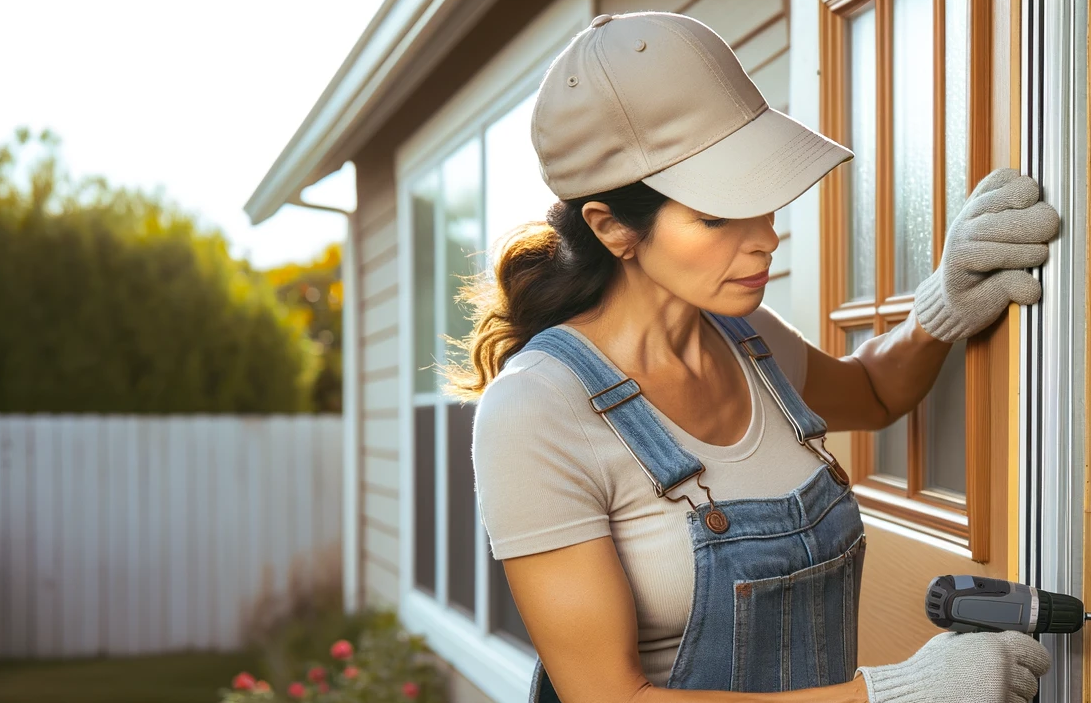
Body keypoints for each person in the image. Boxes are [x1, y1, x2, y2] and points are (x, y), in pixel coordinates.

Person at [442, 11, 1059, 703]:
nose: (766, 237)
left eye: (761, 201)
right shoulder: (536, 411)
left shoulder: (747, 340)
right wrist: (893, 695)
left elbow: (873, 393)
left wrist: (940, 306)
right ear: (612, 227)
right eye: (715, 215)